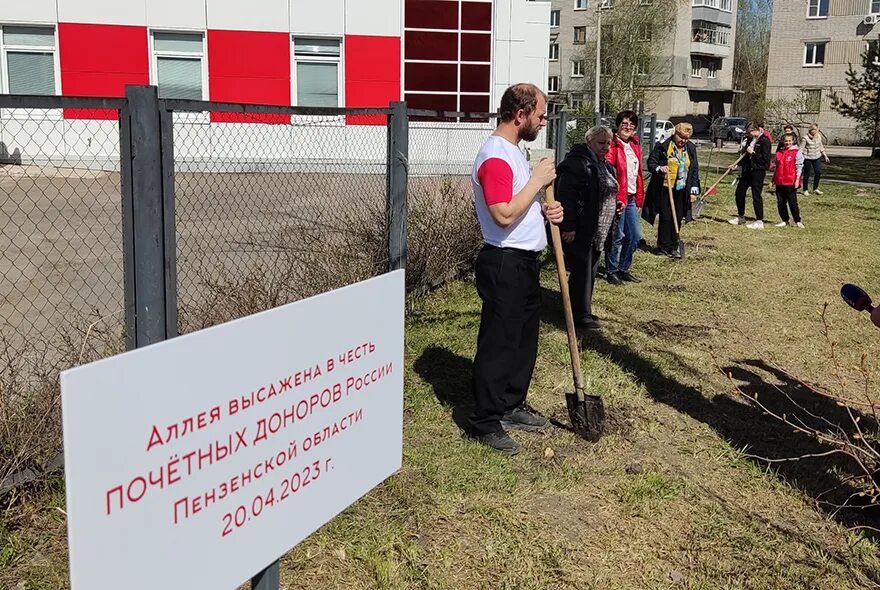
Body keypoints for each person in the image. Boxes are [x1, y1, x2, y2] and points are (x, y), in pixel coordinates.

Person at [468, 83, 563, 455]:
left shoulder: (514, 153)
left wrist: (544, 210)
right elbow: (502, 213)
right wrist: (538, 182)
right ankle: (484, 420)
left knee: (523, 342)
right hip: (503, 261)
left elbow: (518, 206)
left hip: (523, 262)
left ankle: (510, 404)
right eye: (540, 115)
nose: (543, 121)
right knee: (498, 344)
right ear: (520, 115)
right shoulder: (494, 155)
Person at [556, 126, 621, 331]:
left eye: (608, 143)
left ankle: (584, 309)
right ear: (589, 142)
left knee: (590, 270)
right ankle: (578, 314)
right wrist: (568, 226)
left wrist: (614, 204)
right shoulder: (577, 164)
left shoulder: (604, 165)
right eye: (601, 143)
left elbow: (605, 190)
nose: (606, 147)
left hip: (599, 229)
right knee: (581, 271)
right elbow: (566, 195)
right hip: (582, 227)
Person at [643, 122, 700, 259]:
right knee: (666, 216)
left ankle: (674, 246)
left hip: (682, 188)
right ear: (675, 134)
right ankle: (663, 246)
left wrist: (693, 191)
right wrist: (660, 168)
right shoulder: (663, 146)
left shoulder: (690, 148)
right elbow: (651, 162)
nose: (683, 141)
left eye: (686, 138)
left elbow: (694, 170)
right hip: (665, 187)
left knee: (678, 216)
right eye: (681, 137)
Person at [604, 110, 645, 285]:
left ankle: (623, 268)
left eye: (631, 125)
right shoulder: (612, 146)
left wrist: (639, 197)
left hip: (632, 197)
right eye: (624, 124)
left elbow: (638, 174)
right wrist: (615, 197)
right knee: (617, 236)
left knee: (635, 236)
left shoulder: (635, 146)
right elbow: (608, 173)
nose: (628, 127)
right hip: (618, 198)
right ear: (618, 125)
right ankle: (611, 270)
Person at [728, 121, 771, 229]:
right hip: (747, 171)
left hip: (758, 171)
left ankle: (759, 221)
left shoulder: (765, 141)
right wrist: (737, 166)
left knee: (756, 195)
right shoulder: (750, 140)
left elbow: (765, 160)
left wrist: (753, 153)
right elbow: (745, 158)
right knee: (739, 192)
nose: (748, 135)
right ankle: (741, 216)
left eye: (749, 132)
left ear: (755, 130)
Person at [770, 132, 805, 228]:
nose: (787, 143)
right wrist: (772, 180)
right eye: (786, 141)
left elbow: (799, 167)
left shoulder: (797, 153)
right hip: (779, 181)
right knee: (781, 202)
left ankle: (797, 220)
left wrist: (797, 180)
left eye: (789, 141)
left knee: (792, 202)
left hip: (790, 181)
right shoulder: (779, 153)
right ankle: (785, 220)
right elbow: (776, 168)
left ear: (793, 141)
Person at [800, 124, 830, 195]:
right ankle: (805, 189)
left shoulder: (818, 137)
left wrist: (825, 156)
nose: (814, 131)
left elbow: (821, 146)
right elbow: (801, 148)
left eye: (815, 129)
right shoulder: (805, 138)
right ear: (810, 130)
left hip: (817, 157)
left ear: (817, 130)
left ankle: (815, 188)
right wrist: (798, 157)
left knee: (818, 172)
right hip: (807, 158)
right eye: (812, 129)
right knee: (807, 173)